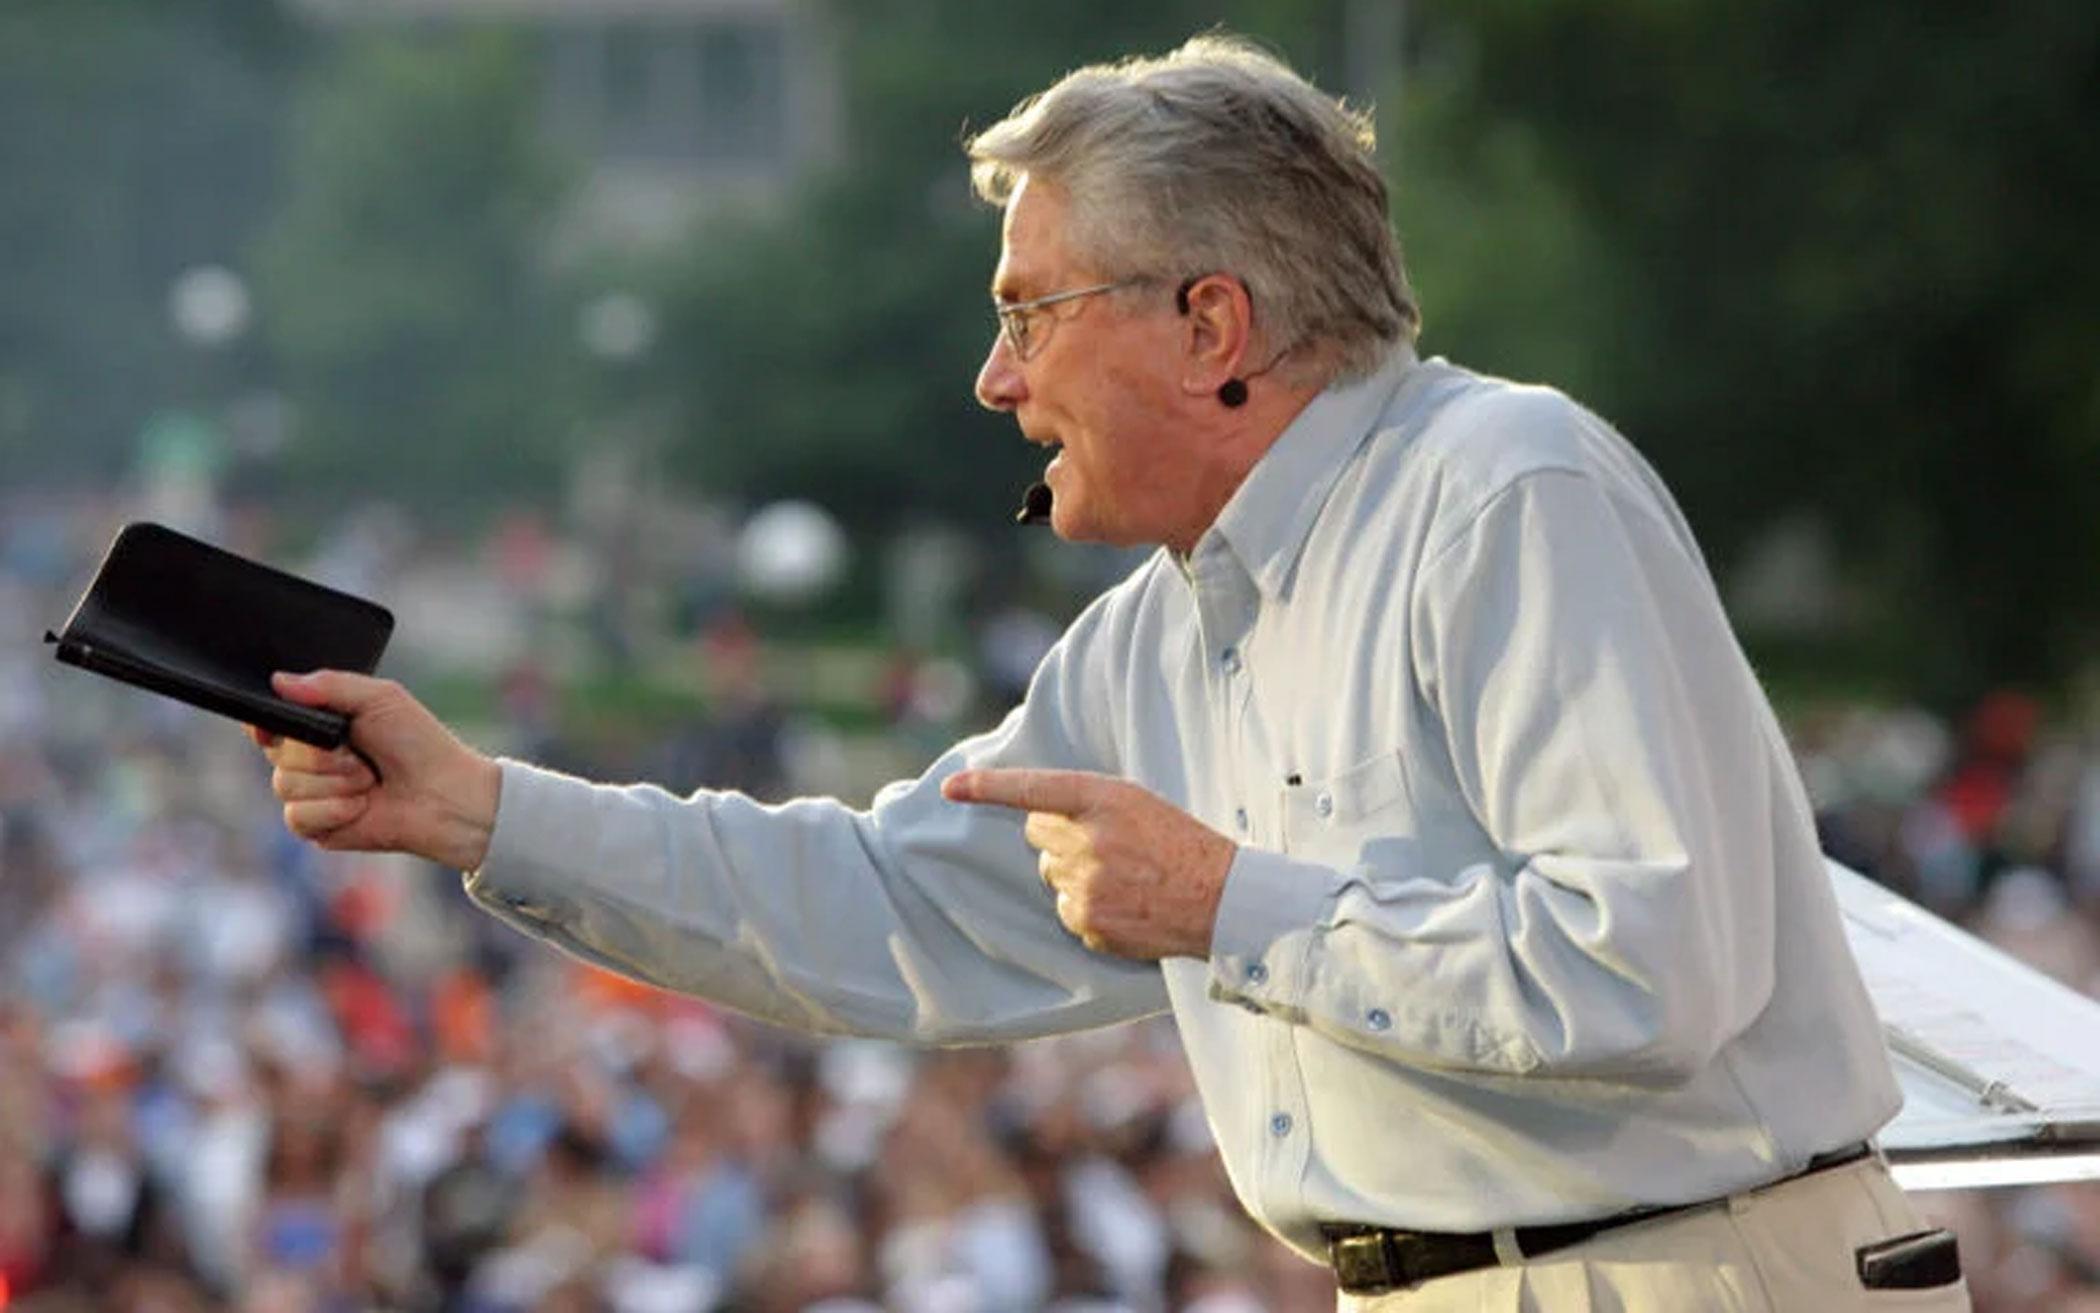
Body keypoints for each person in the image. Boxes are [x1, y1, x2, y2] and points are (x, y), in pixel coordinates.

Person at [250, 34, 1970, 1311]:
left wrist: (1230, 901)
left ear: (1210, 327)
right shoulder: (1157, 634)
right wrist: (485, 810)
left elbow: (1646, 965)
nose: (995, 381)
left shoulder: (1504, 489)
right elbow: (880, 905)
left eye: (1028, 312)